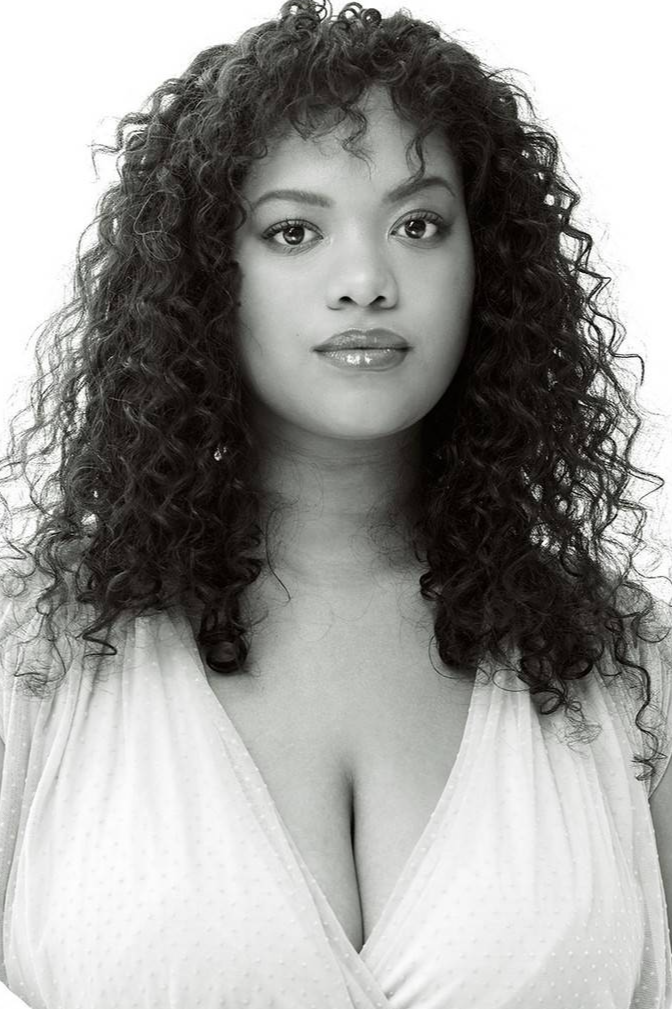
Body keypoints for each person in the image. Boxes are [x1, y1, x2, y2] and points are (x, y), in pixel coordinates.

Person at [0, 0, 670, 1006]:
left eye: (417, 225)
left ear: (486, 265)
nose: (365, 280)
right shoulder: (37, 653)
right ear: (202, 276)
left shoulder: (628, 667)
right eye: (294, 230)